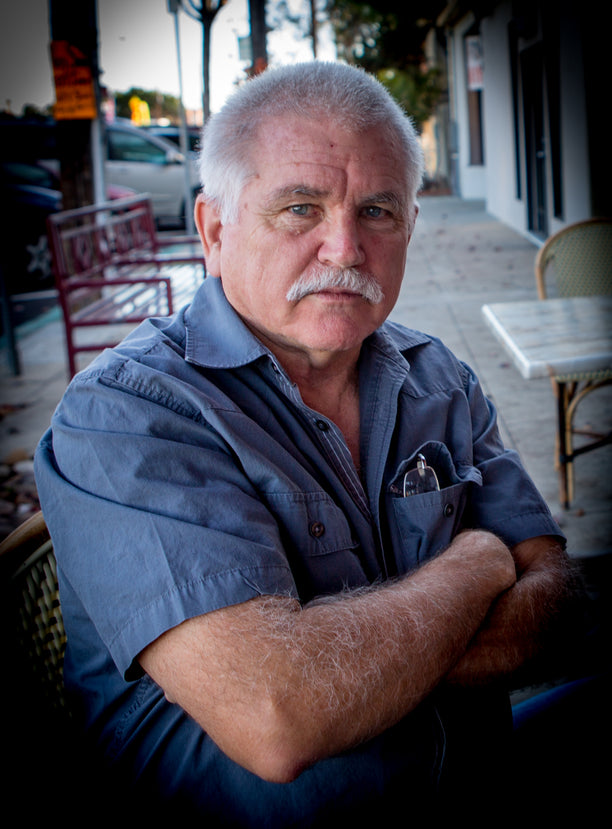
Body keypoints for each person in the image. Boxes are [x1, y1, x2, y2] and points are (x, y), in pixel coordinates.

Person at [34, 62, 575, 824]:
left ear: (411, 226)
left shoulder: (437, 378)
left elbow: (557, 598)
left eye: (378, 210)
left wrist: (356, 671)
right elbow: (278, 713)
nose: (346, 248)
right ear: (215, 231)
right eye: (300, 208)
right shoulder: (127, 412)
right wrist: (478, 562)